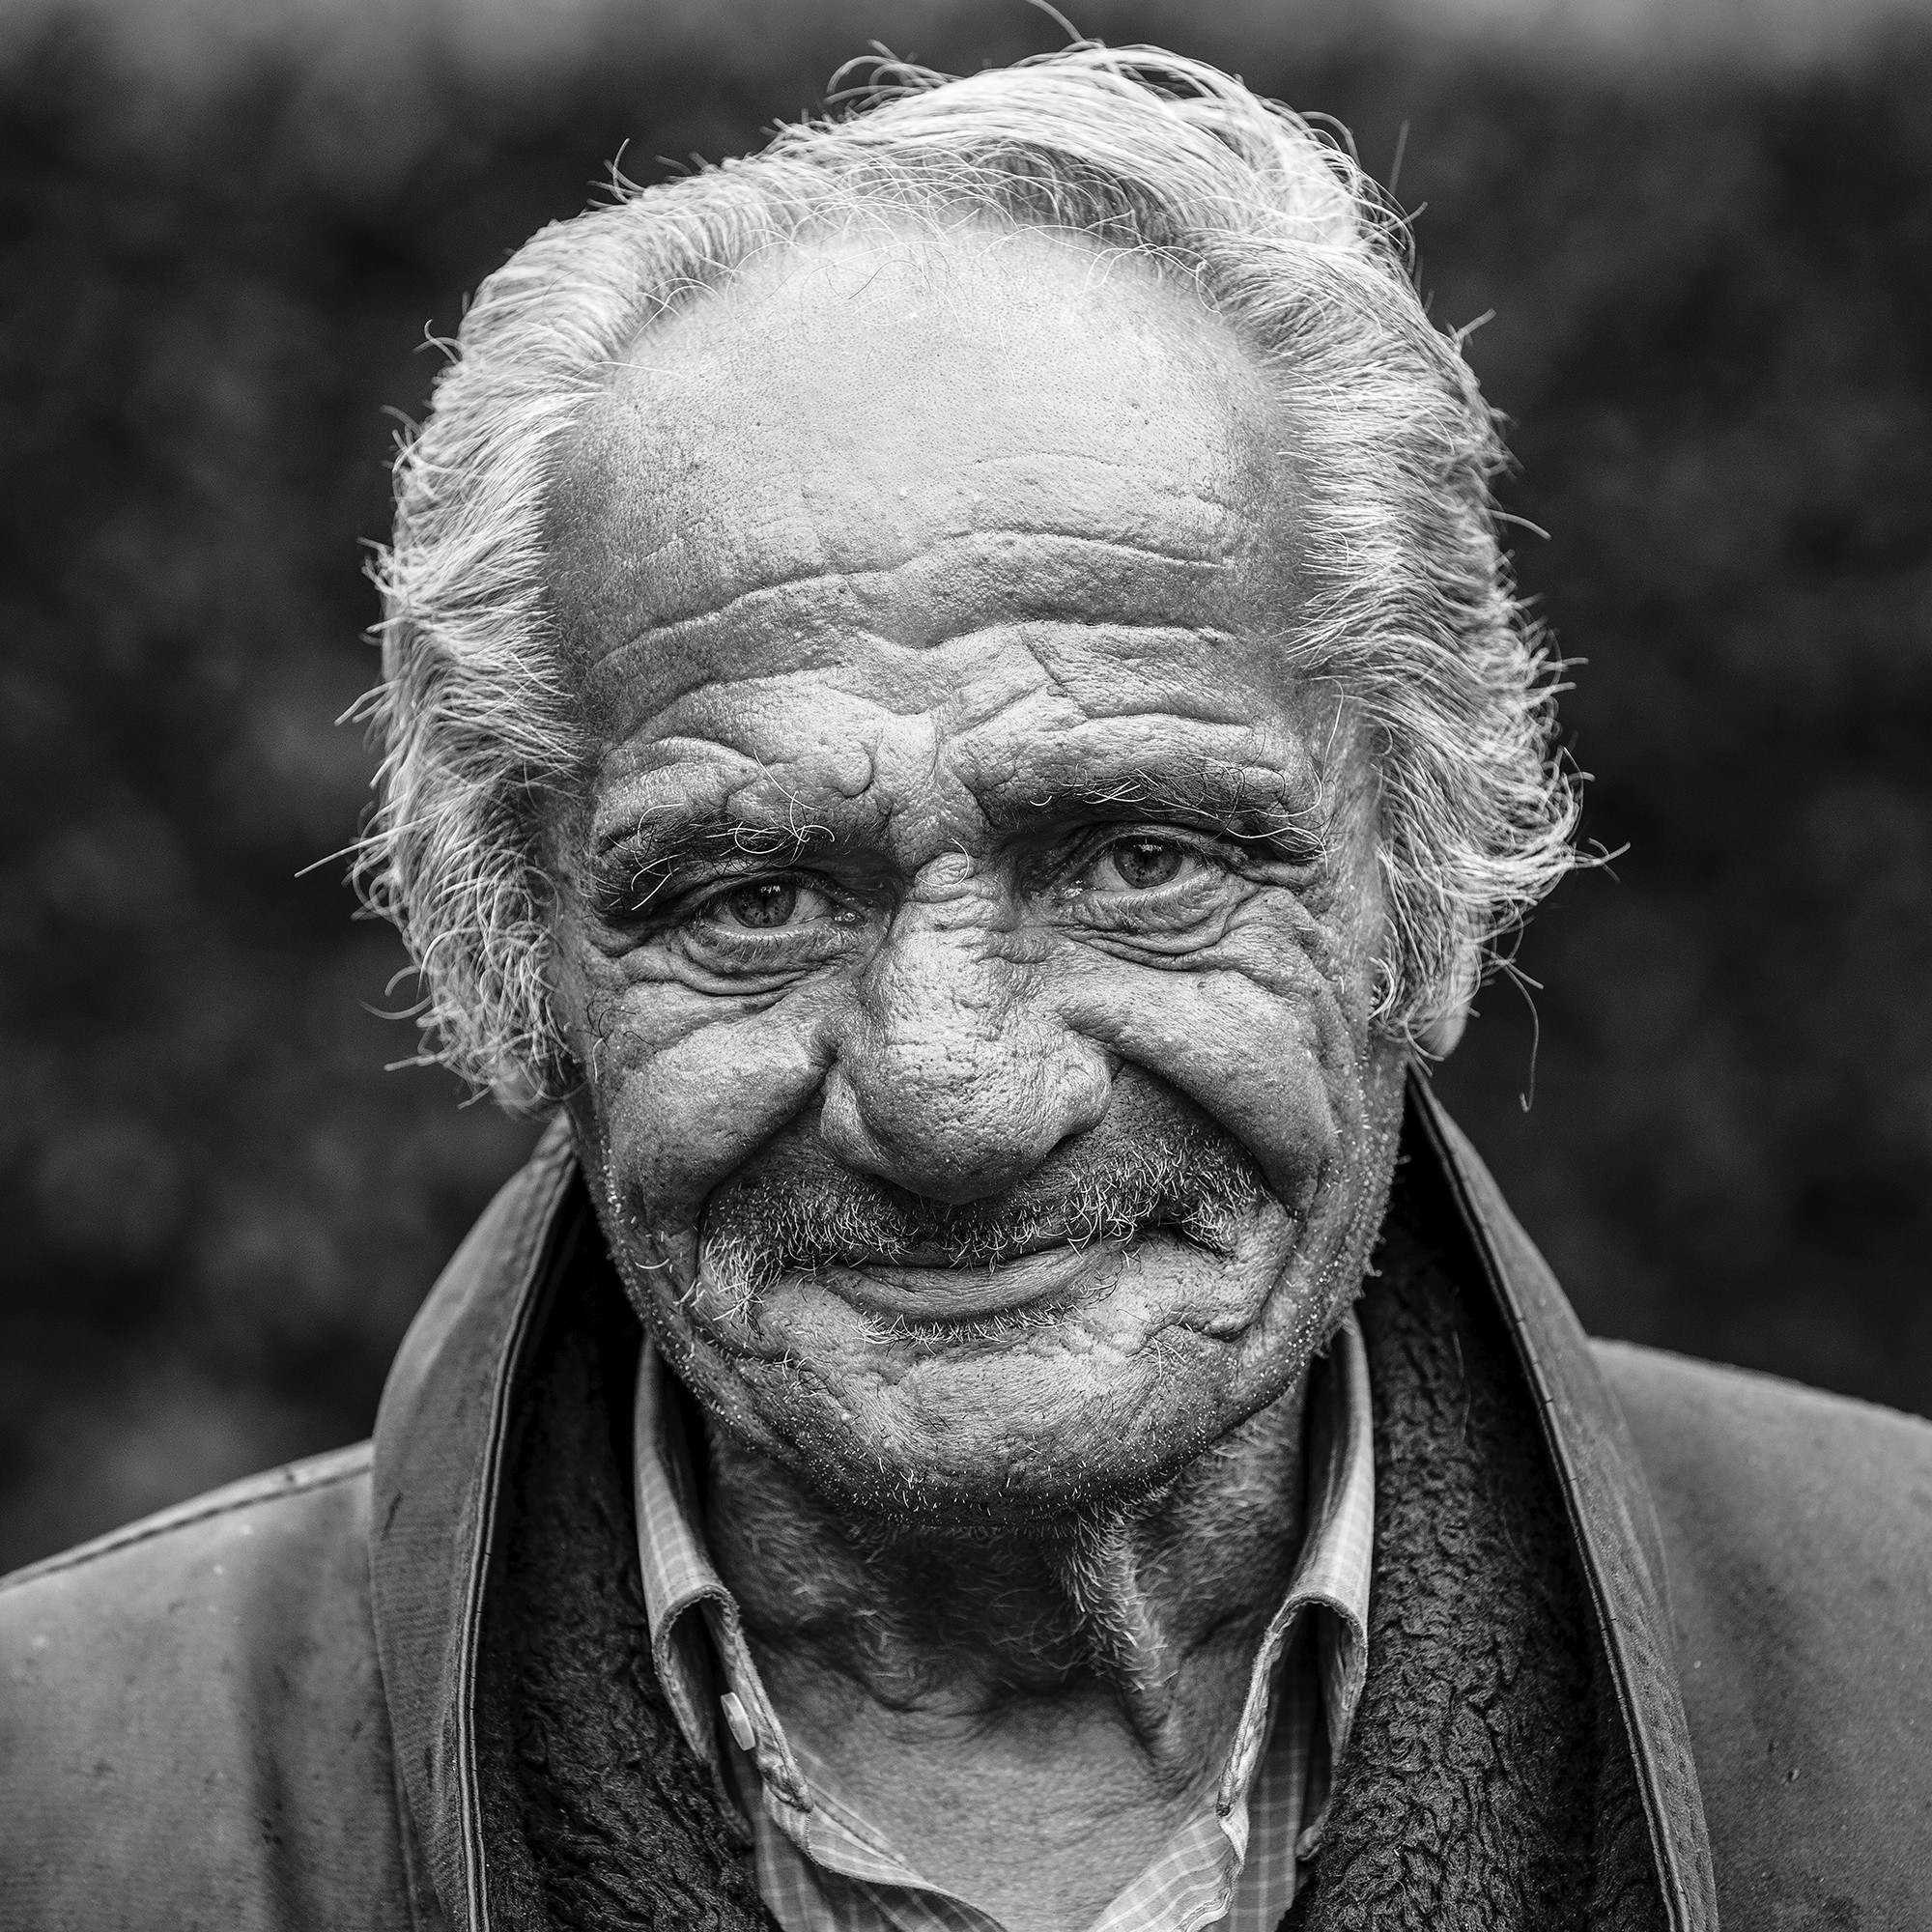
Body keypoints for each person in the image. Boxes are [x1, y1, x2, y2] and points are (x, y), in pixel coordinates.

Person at [3, 44, 1926, 1932]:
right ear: (521, 981)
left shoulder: (1894, 1678)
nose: (950, 1092)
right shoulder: (69, 1790)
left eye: (1139, 859)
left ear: (1423, 900)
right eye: (753, 896)